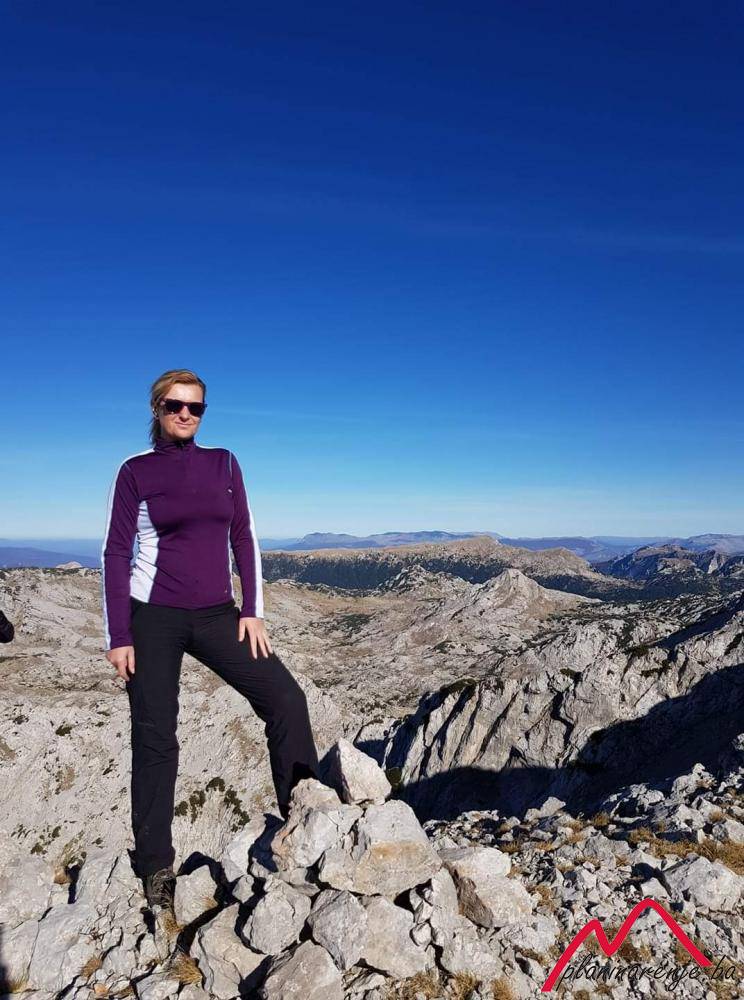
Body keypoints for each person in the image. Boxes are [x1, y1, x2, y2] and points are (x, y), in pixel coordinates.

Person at [101, 368, 320, 914]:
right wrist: (119, 634)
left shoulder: (224, 463)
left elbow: (243, 535)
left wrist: (253, 610)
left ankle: (309, 824)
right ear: (156, 409)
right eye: (174, 405)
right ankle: (156, 866)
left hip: (219, 613)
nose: (185, 414)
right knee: (156, 737)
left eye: (195, 407)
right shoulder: (135, 471)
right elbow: (115, 553)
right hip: (153, 617)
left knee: (286, 699)